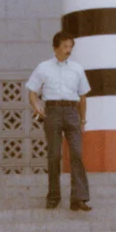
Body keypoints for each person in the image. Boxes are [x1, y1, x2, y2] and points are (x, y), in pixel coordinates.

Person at [27, 30, 91, 212]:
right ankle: (54, 196)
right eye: (65, 46)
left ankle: (79, 198)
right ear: (55, 48)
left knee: (77, 153)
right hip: (52, 111)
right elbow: (32, 91)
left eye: (70, 46)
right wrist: (36, 105)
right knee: (54, 155)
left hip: (72, 112)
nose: (68, 50)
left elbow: (83, 97)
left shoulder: (77, 69)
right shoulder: (43, 67)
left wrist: (83, 120)